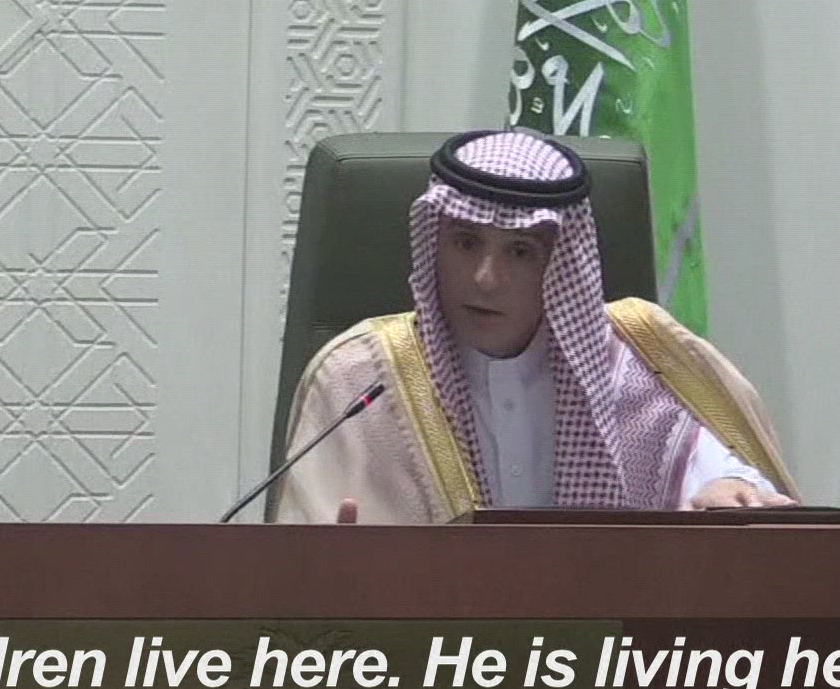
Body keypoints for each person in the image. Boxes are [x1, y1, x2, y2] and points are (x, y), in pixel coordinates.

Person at [271, 129, 796, 524]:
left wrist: (733, 489)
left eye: (519, 251)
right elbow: (300, 565)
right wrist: (332, 569)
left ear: (562, 265)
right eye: (465, 243)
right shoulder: (359, 380)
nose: (485, 277)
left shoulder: (635, 364)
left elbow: (726, 478)